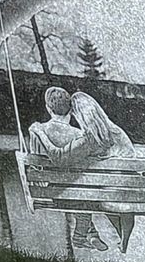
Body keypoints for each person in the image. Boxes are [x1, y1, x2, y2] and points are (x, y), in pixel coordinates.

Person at [26, 86, 102, 250]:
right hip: (78, 191)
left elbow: (36, 164)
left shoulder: (37, 131)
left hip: (50, 191)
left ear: (48, 108)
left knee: (72, 190)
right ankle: (85, 234)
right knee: (79, 190)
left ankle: (87, 233)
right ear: (71, 111)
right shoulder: (79, 135)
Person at [69, 91, 140, 253]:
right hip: (132, 190)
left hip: (109, 193)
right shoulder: (116, 131)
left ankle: (91, 233)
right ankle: (124, 239)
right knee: (120, 201)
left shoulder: (88, 138)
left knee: (101, 197)